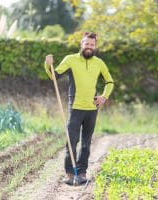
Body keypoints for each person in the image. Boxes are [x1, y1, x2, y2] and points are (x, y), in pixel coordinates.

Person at [44, 32, 114, 185]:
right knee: (71, 141)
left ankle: (82, 173)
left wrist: (103, 97)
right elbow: (54, 75)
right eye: (87, 44)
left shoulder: (99, 63)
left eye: (92, 45)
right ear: (81, 44)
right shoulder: (71, 60)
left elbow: (110, 82)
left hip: (92, 108)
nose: (89, 47)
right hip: (75, 107)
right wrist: (48, 65)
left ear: (95, 46)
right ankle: (70, 173)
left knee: (86, 142)